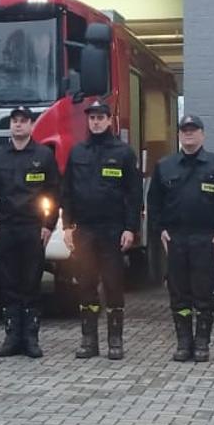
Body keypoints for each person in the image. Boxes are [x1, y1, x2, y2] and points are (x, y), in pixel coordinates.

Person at [147, 114, 214, 363]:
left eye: (193, 130)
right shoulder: (165, 165)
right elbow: (153, 201)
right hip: (176, 238)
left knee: (204, 293)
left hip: (205, 238)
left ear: (202, 134)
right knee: (178, 293)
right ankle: (183, 343)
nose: (189, 134)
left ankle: (202, 343)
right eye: (184, 130)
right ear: (179, 135)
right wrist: (159, 229)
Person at [61, 99, 140, 360]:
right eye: (92, 117)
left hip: (113, 230)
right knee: (85, 284)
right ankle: (88, 341)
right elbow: (67, 191)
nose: (95, 122)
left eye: (100, 117)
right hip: (85, 230)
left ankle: (115, 341)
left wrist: (131, 228)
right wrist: (67, 226)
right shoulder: (77, 152)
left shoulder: (123, 153)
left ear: (109, 120)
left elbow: (133, 195)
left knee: (113, 284)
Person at [0, 106, 60, 359]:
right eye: (14, 121)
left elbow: (54, 193)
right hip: (7, 228)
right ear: (10, 126)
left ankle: (31, 338)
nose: (18, 125)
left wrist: (49, 225)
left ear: (30, 125)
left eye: (23, 121)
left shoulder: (43, 155)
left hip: (33, 229)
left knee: (31, 284)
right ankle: (12, 336)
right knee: (8, 284)